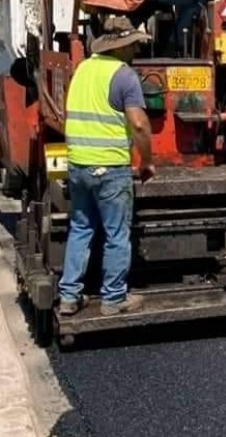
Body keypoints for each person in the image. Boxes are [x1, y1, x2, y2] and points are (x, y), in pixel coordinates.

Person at [58, 16, 156, 317]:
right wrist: (148, 162)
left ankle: (69, 296)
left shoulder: (82, 69)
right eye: (134, 44)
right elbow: (139, 124)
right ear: (121, 47)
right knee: (116, 234)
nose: (136, 50)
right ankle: (113, 299)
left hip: (78, 164)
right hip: (110, 167)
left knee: (81, 228)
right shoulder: (124, 75)